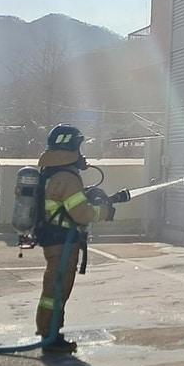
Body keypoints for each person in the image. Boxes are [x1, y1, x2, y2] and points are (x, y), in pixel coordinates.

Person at [34, 124, 114, 353]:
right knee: (57, 289)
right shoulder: (66, 177)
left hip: (56, 239)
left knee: (53, 288)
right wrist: (105, 212)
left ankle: (48, 332)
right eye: (79, 147)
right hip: (62, 242)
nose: (82, 153)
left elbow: (68, 203)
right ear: (70, 147)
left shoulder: (53, 172)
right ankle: (51, 336)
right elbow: (82, 213)